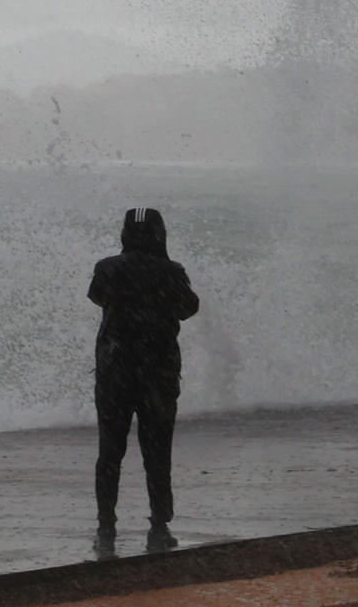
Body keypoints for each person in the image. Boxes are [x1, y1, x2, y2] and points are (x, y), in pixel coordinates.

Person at [88, 206, 199, 554]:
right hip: (158, 373)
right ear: (159, 233)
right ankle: (159, 526)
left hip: (114, 370)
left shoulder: (107, 268)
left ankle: (106, 528)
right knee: (157, 450)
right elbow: (188, 308)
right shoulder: (171, 271)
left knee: (110, 451)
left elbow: (97, 297)